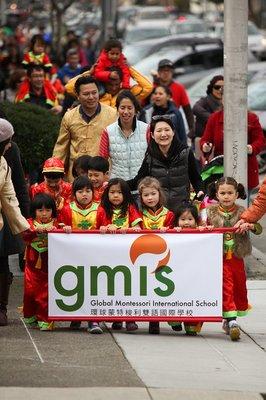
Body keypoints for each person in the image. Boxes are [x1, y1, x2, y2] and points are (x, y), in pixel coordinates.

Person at [206, 177, 262, 341]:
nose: (226, 196)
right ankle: (232, 321)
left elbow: (258, 229)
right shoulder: (210, 212)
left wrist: (250, 225)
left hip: (237, 257)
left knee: (238, 286)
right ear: (216, 194)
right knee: (226, 285)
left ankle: (228, 319)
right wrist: (205, 228)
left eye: (230, 193)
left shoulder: (243, 212)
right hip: (218, 257)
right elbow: (200, 227)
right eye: (222, 193)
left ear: (237, 194)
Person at [127, 115, 204, 212]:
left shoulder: (186, 153)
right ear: (152, 135)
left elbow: (196, 178)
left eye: (167, 130)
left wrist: (200, 190)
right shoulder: (150, 156)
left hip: (182, 211)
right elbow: (138, 181)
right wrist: (117, 185)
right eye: (159, 131)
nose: (163, 134)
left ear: (173, 132)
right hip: (159, 213)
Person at [96, 178, 142, 332]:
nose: (116, 196)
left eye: (120, 192)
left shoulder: (130, 208)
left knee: (129, 287)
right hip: (109, 255)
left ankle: (130, 319)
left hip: (128, 254)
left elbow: (138, 226)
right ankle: (116, 318)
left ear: (126, 194)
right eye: (112, 192)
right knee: (113, 286)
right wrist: (104, 227)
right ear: (106, 194)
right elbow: (97, 227)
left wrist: (135, 228)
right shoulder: (102, 210)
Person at [58, 176, 103, 333]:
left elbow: (107, 226)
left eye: (88, 191)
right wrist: (63, 229)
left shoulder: (100, 209)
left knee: (93, 288)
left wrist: (106, 227)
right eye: (80, 191)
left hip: (95, 256)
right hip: (73, 257)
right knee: (75, 286)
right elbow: (58, 229)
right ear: (73, 193)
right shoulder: (66, 209)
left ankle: (94, 321)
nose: (85, 194)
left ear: (93, 192)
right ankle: (75, 316)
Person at [53, 75, 117, 181]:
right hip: (76, 176)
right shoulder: (69, 116)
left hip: (101, 176)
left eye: (94, 93)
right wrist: (55, 172)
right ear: (78, 96)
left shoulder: (112, 114)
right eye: (86, 94)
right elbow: (61, 148)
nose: (91, 97)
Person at [0, 119, 30, 326]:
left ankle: (1, 308)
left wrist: (26, 230)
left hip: (0, 222)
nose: (10, 146)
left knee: (1, 260)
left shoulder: (4, 164)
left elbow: (10, 200)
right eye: (8, 142)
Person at [137, 176, 174, 335]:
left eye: (153, 194)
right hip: (144, 257)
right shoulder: (138, 215)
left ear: (159, 194)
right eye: (146, 195)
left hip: (164, 259)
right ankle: (149, 320)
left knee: (162, 290)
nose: (150, 198)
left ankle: (164, 319)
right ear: (141, 197)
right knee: (146, 289)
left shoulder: (169, 215)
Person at [200, 109, 265, 192]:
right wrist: (205, 146)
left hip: (246, 171)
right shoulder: (214, 117)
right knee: (222, 201)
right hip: (220, 171)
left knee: (242, 202)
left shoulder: (251, 118)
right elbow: (205, 139)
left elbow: (260, 140)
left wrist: (251, 148)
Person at [22, 193, 58, 331]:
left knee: (45, 293)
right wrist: (36, 231)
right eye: (40, 210)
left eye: (48, 210)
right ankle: (31, 315)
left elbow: (65, 233)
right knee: (30, 292)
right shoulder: (29, 223)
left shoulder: (56, 223)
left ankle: (45, 319)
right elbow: (24, 235)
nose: (44, 214)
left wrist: (58, 230)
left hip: (49, 265)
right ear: (34, 211)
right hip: (32, 264)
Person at [172, 202, 205, 336]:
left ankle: (192, 324)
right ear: (177, 221)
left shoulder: (201, 233)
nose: (186, 223)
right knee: (176, 295)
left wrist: (207, 230)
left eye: (190, 219)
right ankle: (174, 321)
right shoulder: (172, 233)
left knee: (194, 296)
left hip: (194, 274)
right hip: (177, 273)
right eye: (183, 219)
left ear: (196, 221)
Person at [99, 90, 148, 181]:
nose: (126, 112)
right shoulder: (108, 131)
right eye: (122, 108)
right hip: (118, 186)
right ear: (117, 109)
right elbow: (102, 161)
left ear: (135, 110)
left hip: (142, 184)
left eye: (130, 108)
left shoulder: (146, 129)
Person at [65, 65, 153, 108]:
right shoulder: (95, 94)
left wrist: (128, 69)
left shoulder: (127, 94)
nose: (114, 88)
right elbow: (69, 87)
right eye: (110, 85)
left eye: (117, 84)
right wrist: (90, 73)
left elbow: (148, 87)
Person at [154, 59, 194, 138]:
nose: (166, 73)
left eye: (168, 70)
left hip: (173, 125)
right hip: (155, 125)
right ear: (158, 72)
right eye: (163, 70)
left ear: (172, 72)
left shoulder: (179, 88)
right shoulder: (153, 88)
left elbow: (188, 112)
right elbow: (144, 109)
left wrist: (192, 130)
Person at [192, 75, 223, 165]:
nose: (220, 90)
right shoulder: (205, 100)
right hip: (202, 141)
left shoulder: (228, 102)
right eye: (217, 87)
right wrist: (214, 119)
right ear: (211, 87)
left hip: (218, 143)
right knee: (202, 168)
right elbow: (195, 108)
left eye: (223, 87)